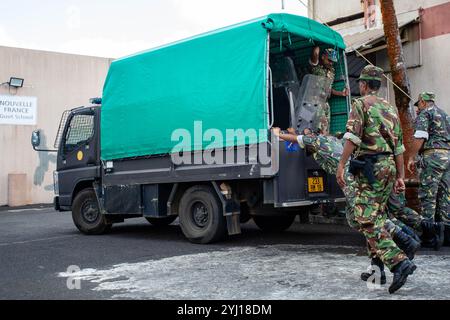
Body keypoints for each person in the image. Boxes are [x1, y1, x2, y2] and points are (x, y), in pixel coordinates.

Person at [336, 65, 415, 294]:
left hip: (372, 169)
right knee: (377, 216)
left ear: (363, 85)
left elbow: (351, 137)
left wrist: (341, 165)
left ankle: (399, 261)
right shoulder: (389, 108)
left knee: (366, 219)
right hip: (389, 166)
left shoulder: (360, 105)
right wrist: (400, 176)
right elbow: (398, 146)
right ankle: (377, 270)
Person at [407, 92, 450, 246]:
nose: (418, 109)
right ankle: (446, 235)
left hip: (433, 157)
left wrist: (411, 157)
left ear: (423, 102)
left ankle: (430, 236)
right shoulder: (445, 115)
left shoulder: (426, 113)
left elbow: (420, 137)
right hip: (448, 156)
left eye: (418, 105)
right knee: (445, 195)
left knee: (428, 195)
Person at [309, 46, 349, 135]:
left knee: (326, 128)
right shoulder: (316, 67)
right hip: (315, 101)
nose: (331, 63)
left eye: (333, 62)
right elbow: (315, 53)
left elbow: (329, 89)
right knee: (318, 127)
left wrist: (341, 93)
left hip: (325, 102)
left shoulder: (332, 71)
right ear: (323, 57)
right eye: (329, 60)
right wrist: (317, 43)